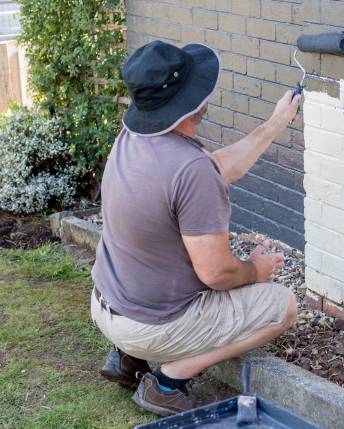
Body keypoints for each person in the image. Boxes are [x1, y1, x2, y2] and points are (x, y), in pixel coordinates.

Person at [90, 40, 300, 416]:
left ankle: (127, 358)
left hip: (109, 305)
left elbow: (215, 167)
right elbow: (216, 273)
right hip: (149, 325)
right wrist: (255, 270)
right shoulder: (191, 170)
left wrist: (274, 124)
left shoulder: (135, 138)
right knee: (282, 306)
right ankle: (168, 382)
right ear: (192, 101)